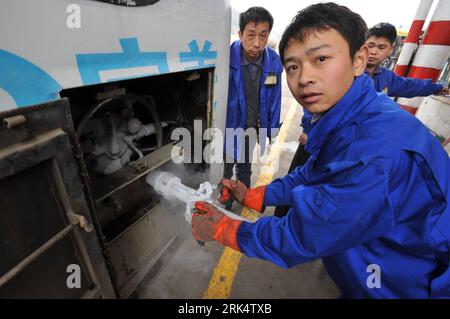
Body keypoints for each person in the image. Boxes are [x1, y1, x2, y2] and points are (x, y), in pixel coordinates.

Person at [191, 3, 450, 298]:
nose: (304, 78)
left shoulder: (373, 151)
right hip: (376, 274)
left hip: (409, 288)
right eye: (293, 67)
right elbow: (315, 173)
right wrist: (254, 195)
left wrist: (223, 229)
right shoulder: (353, 118)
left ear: (358, 60)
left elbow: (302, 235)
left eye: (321, 58)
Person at [273, 21, 449, 217]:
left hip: (348, 150)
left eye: (381, 47)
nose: (374, 52)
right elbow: (315, 103)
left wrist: (436, 87)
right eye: (371, 45)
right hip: (318, 142)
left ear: (390, 50)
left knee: (322, 201)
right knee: (299, 186)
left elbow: (410, 86)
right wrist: (310, 130)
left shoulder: (384, 82)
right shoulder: (344, 76)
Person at [223, 7, 283, 188]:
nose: (257, 43)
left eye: (263, 36)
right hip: (227, 128)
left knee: (244, 169)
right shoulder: (225, 57)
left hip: (251, 128)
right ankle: (221, 204)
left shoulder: (273, 61)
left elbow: (276, 98)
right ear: (240, 34)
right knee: (223, 169)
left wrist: (271, 129)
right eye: (251, 35)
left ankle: (242, 202)